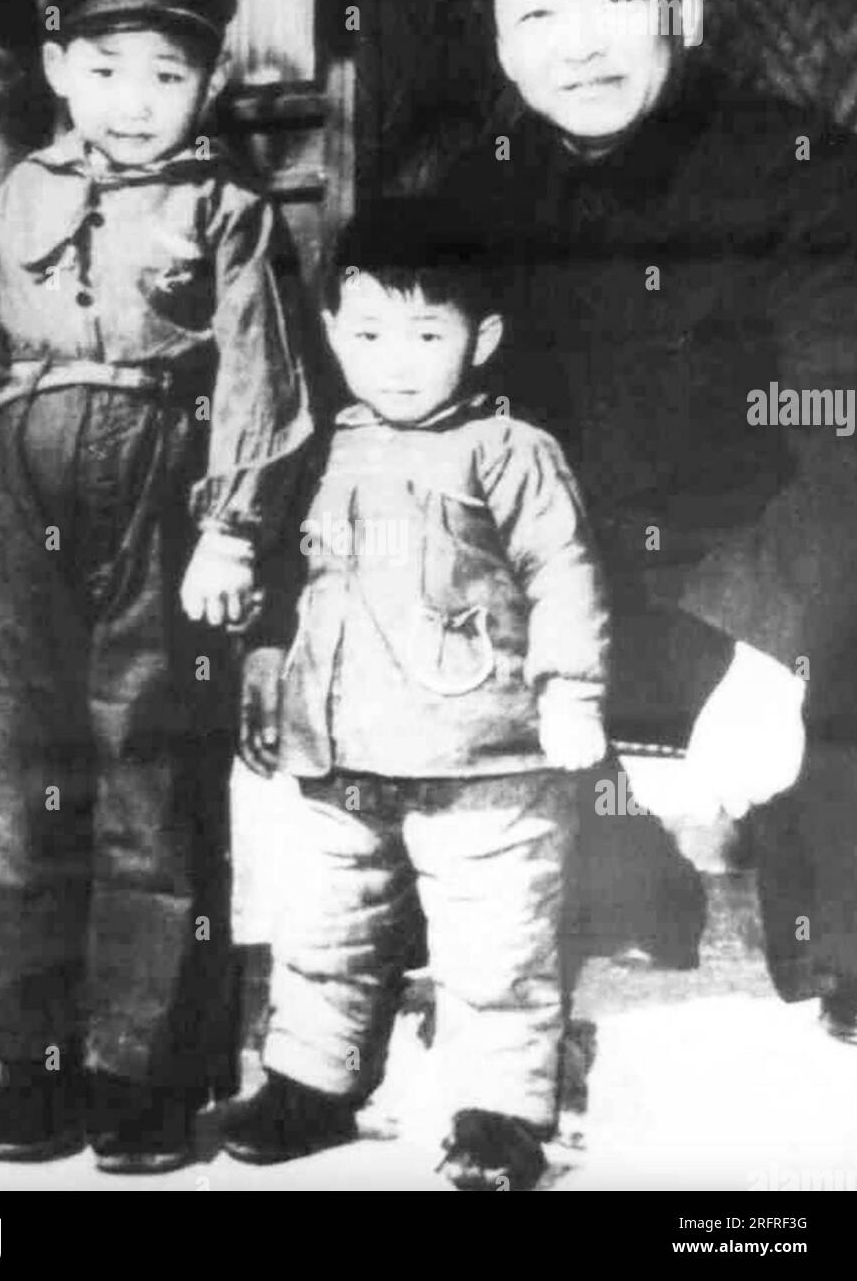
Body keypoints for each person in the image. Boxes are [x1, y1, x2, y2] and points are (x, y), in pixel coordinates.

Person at [0, 0, 312, 1173]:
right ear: (58, 72)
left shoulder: (233, 213)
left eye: (168, 74)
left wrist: (233, 528)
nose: (136, 99)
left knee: (152, 774)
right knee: (11, 773)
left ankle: (145, 1067)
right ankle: (29, 1056)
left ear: (206, 85)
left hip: (163, 508)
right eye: (107, 69)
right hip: (19, 506)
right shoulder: (12, 197)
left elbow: (263, 376)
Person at [440, 0, 857, 1031]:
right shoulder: (469, 186)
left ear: (682, 9)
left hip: (768, 577)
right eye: (536, 16)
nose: (573, 44)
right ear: (499, 40)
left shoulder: (798, 168)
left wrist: (775, 648)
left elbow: (844, 426)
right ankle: (616, 881)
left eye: (611, 4)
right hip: (572, 597)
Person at [227, 201, 610, 1191]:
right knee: (321, 928)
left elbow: (561, 571)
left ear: (478, 339)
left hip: (482, 756)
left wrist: (568, 691)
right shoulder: (325, 447)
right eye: (366, 333)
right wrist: (269, 665)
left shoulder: (508, 450)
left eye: (425, 333)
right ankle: (311, 1086)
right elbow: (293, 578)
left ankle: (498, 1117)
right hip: (339, 753)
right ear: (329, 333)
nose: (394, 359)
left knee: (495, 944)